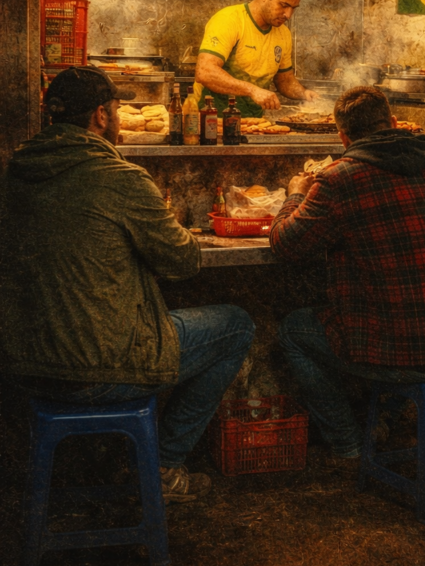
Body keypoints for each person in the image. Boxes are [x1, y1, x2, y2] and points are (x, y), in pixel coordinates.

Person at [0, 66, 254, 502]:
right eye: (117, 110)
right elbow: (184, 262)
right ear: (101, 116)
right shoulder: (119, 178)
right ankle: (163, 467)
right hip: (96, 367)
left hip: (21, 363)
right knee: (236, 326)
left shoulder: (13, 171)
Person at [271, 86, 425, 461]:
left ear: (343, 137)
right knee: (398, 319)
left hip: (406, 351)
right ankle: (382, 419)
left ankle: (348, 443)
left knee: (295, 331)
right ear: (395, 123)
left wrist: (294, 194)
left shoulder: (338, 179)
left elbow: (285, 245)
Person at [194, 0, 318, 118]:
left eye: (294, 8)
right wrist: (252, 90)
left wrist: (304, 93)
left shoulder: (283, 33)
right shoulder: (230, 20)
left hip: (252, 122)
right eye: (284, 5)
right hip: (211, 120)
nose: (288, 14)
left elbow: (284, 80)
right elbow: (205, 72)